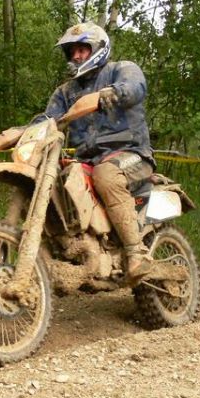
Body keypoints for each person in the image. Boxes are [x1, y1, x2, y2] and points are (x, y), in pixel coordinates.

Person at [31, 21, 155, 283]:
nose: (76, 56)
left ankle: (136, 253)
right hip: (89, 158)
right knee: (56, 181)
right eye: (72, 51)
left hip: (131, 153)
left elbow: (136, 87)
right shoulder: (65, 92)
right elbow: (48, 118)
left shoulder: (120, 70)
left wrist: (112, 93)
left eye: (82, 49)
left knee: (106, 175)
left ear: (98, 48)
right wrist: (23, 132)